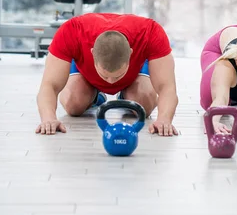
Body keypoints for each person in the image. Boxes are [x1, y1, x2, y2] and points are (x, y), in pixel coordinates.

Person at [35, 12, 179, 137]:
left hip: (135, 72)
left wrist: (164, 119)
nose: (110, 82)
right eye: (105, 76)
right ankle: (96, 97)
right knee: (73, 104)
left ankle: (125, 96)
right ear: (92, 54)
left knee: (143, 105)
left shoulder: (151, 32)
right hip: (85, 71)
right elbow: (49, 85)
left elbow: (167, 87)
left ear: (131, 53)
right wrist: (48, 118)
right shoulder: (72, 30)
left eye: (117, 76)